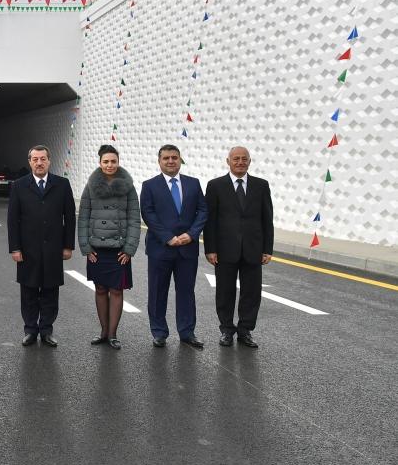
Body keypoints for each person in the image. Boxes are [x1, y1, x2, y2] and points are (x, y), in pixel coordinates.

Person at [204, 146, 274, 348]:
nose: (240, 162)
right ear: (228, 161)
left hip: (253, 249)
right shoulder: (215, 186)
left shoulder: (261, 185)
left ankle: (245, 331)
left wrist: (267, 248)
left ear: (250, 161)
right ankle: (226, 329)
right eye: (236, 159)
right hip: (225, 250)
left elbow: (267, 218)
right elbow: (211, 221)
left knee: (252, 293)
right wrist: (210, 248)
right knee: (225, 292)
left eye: (244, 159)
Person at [140, 144, 208, 349]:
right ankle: (159, 332)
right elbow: (148, 213)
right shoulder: (149, 185)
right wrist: (168, 237)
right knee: (157, 291)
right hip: (161, 248)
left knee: (186, 291)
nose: (171, 161)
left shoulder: (194, 184)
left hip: (187, 248)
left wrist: (191, 234)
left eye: (175, 157)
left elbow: (203, 211)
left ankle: (187, 332)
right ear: (159, 161)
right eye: (166, 158)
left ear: (180, 160)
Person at [7, 145, 75, 348]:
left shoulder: (62, 184)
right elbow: (13, 220)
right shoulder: (19, 185)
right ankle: (30, 330)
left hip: (54, 248)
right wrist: (15, 248)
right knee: (28, 291)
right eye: (35, 159)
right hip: (27, 249)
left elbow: (69, 218)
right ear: (29, 162)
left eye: (43, 159)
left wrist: (68, 246)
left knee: (50, 291)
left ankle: (46, 330)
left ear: (49, 161)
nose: (39, 162)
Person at [77, 144, 140, 350]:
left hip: (119, 249)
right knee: (101, 289)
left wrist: (129, 249)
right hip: (97, 248)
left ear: (118, 162)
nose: (110, 165)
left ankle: (113, 334)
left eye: (113, 161)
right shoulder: (90, 186)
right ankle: (103, 331)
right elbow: (83, 218)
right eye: (106, 161)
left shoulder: (128, 187)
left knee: (117, 290)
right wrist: (85, 247)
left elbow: (134, 219)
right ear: (100, 163)